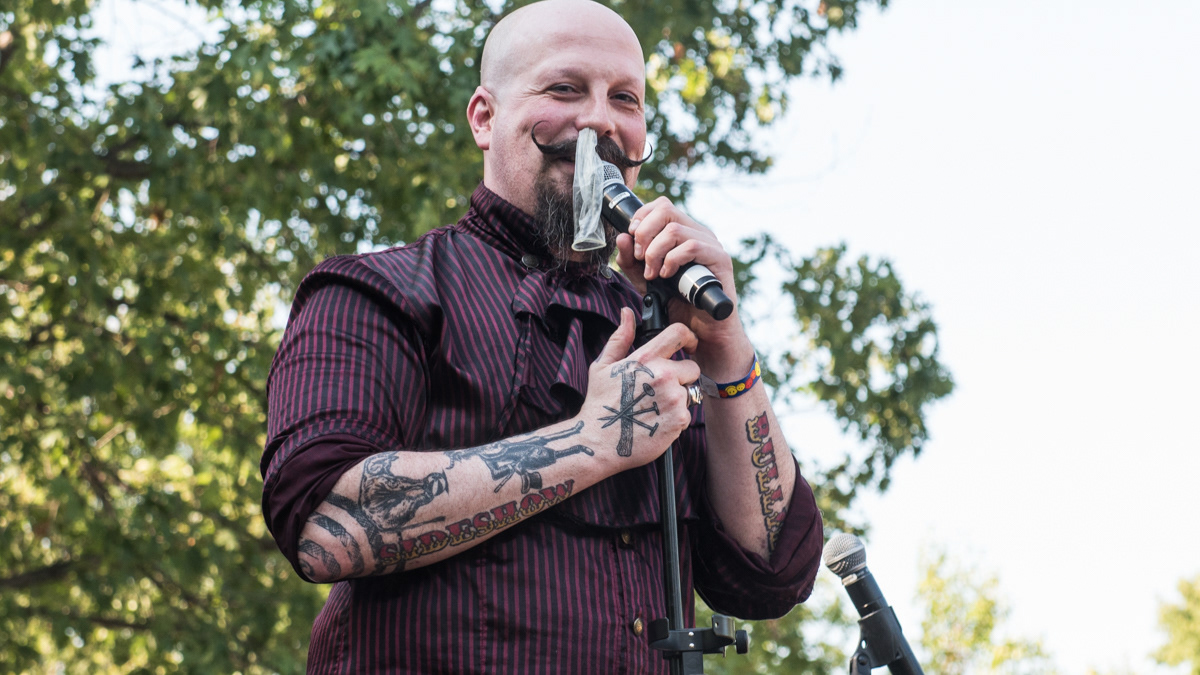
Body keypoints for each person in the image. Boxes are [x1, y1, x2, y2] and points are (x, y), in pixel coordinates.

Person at [260, 1, 824, 672]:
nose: (600, 120)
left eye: (625, 99)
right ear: (484, 117)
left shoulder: (660, 330)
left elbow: (770, 574)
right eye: (564, 89)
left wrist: (726, 349)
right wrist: (591, 442)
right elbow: (323, 525)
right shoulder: (377, 289)